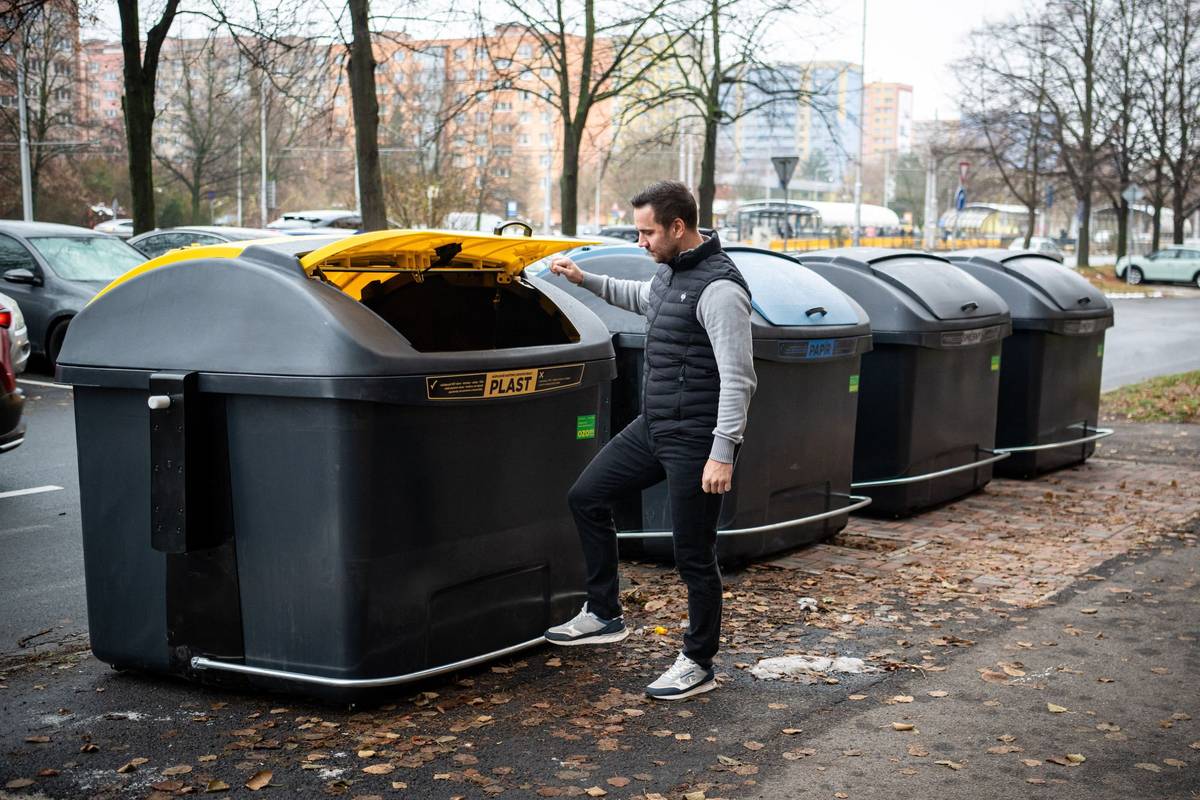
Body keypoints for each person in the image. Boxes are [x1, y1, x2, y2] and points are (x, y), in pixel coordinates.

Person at [543, 181, 757, 700]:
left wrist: (722, 451)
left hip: (697, 440)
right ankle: (603, 612)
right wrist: (584, 278)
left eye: (647, 232)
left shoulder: (720, 290)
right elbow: (644, 299)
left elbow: (740, 376)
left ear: (678, 228)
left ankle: (698, 662)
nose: (640, 241)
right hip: (654, 426)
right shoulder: (669, 275)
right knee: (587, 497)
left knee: (693, 556)